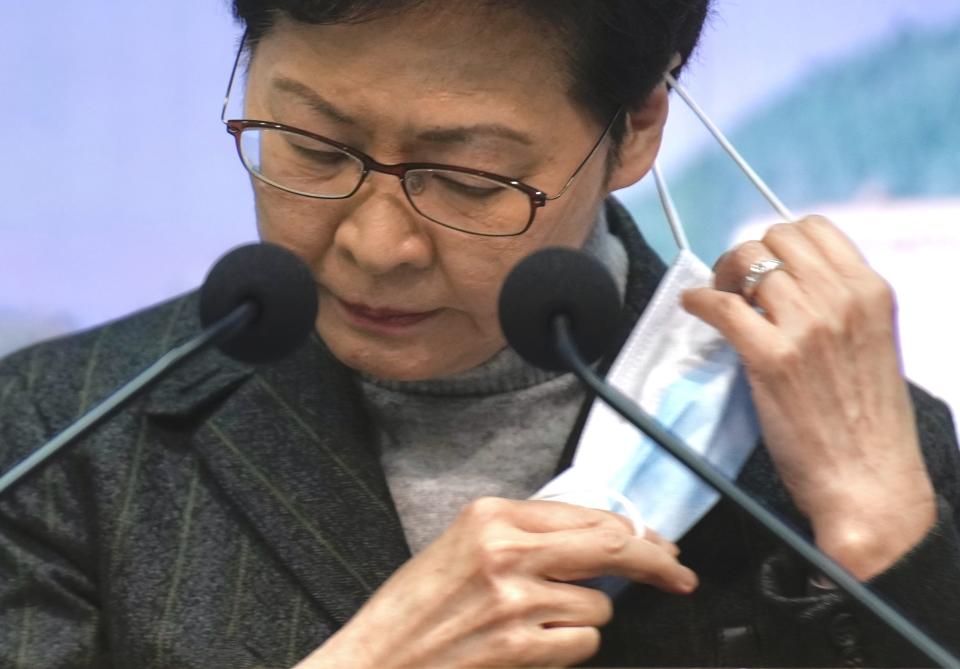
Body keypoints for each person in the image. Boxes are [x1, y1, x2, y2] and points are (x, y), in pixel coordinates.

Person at [1, 1, 959, 667]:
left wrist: (886, 536)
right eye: (310, 147)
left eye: (468, 181)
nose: (374, 245)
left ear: (634, 132)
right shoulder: (60, 433)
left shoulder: (853, 455)